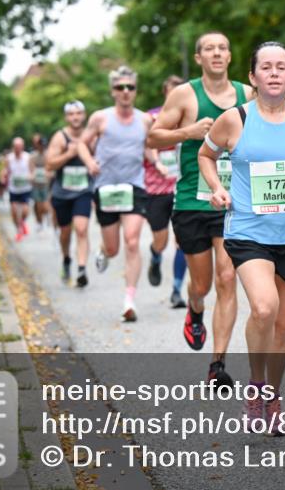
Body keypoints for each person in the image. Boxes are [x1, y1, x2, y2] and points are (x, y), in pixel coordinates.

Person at [200, 41, 285, 434]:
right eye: (267, 67)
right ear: (253, 77)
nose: (275, 73)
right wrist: (217, 188)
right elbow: (206, 155)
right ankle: (255, 387)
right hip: (247, 231)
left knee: (282, 324)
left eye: (282, 67)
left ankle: (273, 395)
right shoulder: (234, 118)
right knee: (263, 307)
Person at [148, 31, 252, 388]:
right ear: (199, 58)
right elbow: (152, 137)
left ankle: (217, 365)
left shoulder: (246, 95)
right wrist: (188, 132)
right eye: (210, 49)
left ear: (230, 55)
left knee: (227, 279)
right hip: (192, 201)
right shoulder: (184, 94)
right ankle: (194, 309)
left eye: (223, 47)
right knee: (203, 285)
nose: (217, 53)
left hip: (233, 202)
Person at [77, 66, 154, 322]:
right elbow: (81, 143)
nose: (125, 92)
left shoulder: (145, 120)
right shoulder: (100, 118)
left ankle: (129, 300)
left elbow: (147, 147)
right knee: (113, 248)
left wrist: (157, 162)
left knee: (132, 241)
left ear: (135, 91)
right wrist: (89, 162)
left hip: (134, 185)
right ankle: (103, 250)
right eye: (120, 87)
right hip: (106, 187)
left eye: (130, 87)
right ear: (113, 91)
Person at [143, 75, 188, 307]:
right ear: (165, 92)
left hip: (182, 187)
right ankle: (155, 256)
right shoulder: (153, 116)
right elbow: (147, 144)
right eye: (172, 91)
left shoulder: (190, 116)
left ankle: (177, 290)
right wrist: (157, 162)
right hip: (156, 188)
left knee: (183, 241)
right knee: (160, 240)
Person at [46, 100, 94, 287]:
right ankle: (66, 259)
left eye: (78, 113)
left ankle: (82, 269)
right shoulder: (60, 137)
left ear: (84, 115)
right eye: (71, 114)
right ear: (67, 117)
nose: (75, 117)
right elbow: (49, 164)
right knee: (65, 232)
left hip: (83, 191)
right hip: (62, 193)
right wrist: (69, 154)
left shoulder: (90, 136)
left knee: (81, 229)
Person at [1, 137, 34, 241]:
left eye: (19, 147)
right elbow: (5, 170)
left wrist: (31, 177)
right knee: (14, 212)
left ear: (22, 147)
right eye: (16, 147)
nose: (17, 149)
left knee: (25, 211)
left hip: (25, 188)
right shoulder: (9, 158)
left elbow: (33, 171)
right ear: (13, 147)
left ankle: (22, 223)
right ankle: (19, 229)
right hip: (13, 188)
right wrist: (3, 176)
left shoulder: (28, 157)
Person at [30, 133, 51, 229]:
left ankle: (47, 216)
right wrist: (32, 175)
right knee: (38, 205)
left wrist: (49, 174)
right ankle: (40, 222)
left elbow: (52, 169)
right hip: (36, 184)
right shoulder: (33, 156)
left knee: (46, 205)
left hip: (46, 184)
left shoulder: (49, 155)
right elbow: (31, 170)